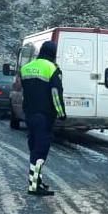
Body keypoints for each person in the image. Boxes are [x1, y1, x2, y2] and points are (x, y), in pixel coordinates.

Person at [19, 40, 65, 196]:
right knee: (40, 152)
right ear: (52, 53)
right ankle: (33, 185)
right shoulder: (52, 69)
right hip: (44, 117)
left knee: (34, 148)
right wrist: (61, 113)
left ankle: (37, 180)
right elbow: (55, 94)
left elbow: (24, 92)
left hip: (29, 115)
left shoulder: (26, 68)